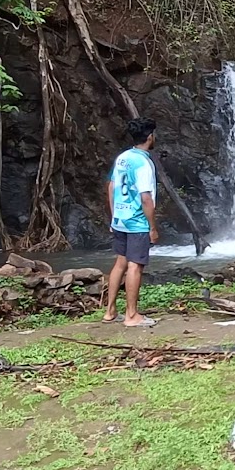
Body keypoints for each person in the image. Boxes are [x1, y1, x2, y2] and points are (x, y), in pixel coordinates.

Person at [103, 117, 160, 326]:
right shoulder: (144, 162)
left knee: (120, 263)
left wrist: (114, 214)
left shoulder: (122, 158)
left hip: (120, 219)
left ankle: (110, 312)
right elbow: (146, 197)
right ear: (149, 137)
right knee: (135, 266)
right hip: (137, 222)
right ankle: (132, 316)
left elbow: (111, 186)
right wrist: (152, 227)